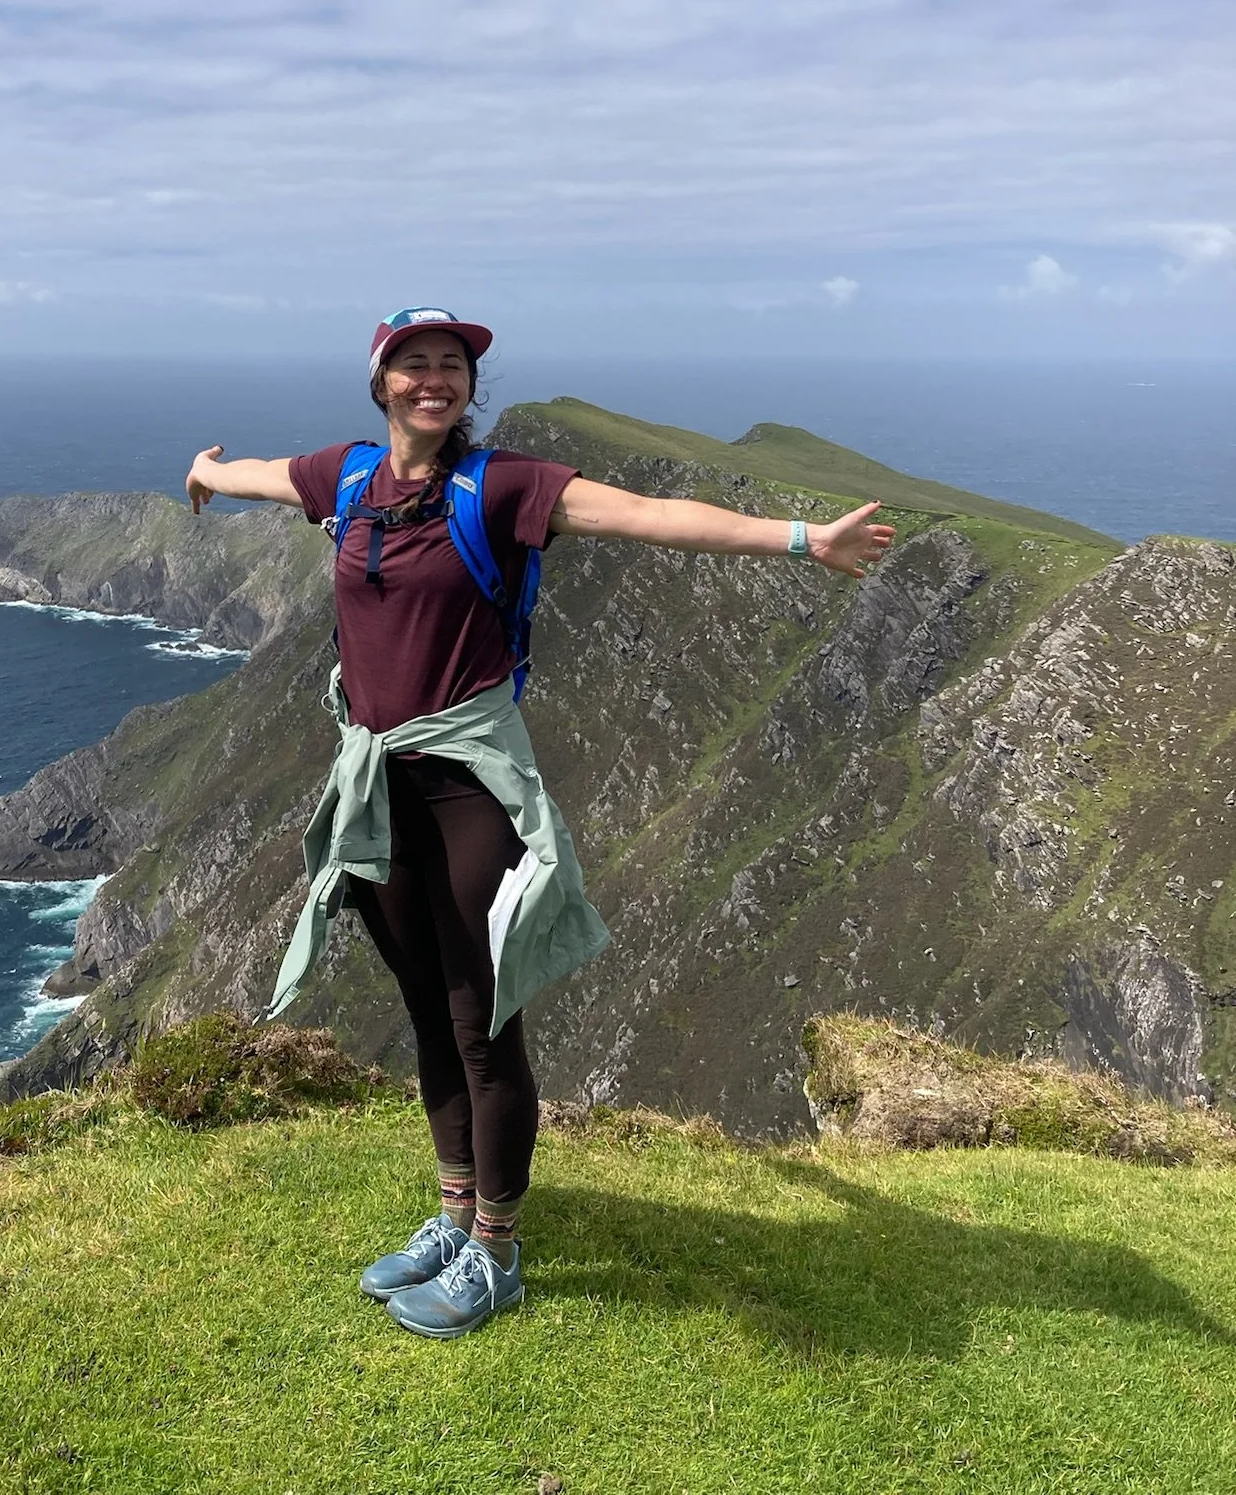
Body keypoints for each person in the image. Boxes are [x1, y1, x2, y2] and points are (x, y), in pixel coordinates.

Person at [186, 305, 894, 1338]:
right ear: (381, 382)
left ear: (469, 386)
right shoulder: (344, 478)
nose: (436, 378)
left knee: (484, 1020)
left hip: (471, 789)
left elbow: (650, 513)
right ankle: (452, 1212)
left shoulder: (505, 485)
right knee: (427, 1009)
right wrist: (206, 470)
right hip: (378, 785)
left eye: (454, 365)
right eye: (415, 363)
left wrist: (801, 539)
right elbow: (261, 473)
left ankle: (498, 1252)